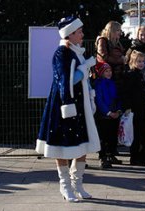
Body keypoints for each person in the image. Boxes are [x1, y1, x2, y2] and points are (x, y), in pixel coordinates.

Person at [36, 16, 99, 202]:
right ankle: (65, 186)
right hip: (65, 105)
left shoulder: (76, 51)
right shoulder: (62, 52)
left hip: (79, 104)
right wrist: (86, 67)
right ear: (70, 34)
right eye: (79, 32)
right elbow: (66, 80)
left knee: (82, 145)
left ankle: (78, 184)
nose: (82, 34)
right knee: (61, 146)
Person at [122, 50, 145, 166]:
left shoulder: (141, 75)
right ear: (133, 62)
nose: (141, 63)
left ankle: (141, 156)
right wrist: (128, 107)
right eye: (138, 61)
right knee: (136, 134)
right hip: (134, 109)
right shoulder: (130, 75)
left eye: (142, 61)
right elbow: (126, 93)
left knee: (142, 133)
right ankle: (134, 157)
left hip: (142, 108)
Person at [93, 62, 121, 169]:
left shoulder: (113, 83)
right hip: (104, 116)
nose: (109, 73)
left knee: (112, 137)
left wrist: (118, 110)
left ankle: (111, 155)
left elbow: (117, 97)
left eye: (110, 71)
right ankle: (103, 157)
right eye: (106, 71)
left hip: (114, 113)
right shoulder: (98, 84)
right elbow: (99, 100)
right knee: (103, 137)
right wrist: (108, 112)